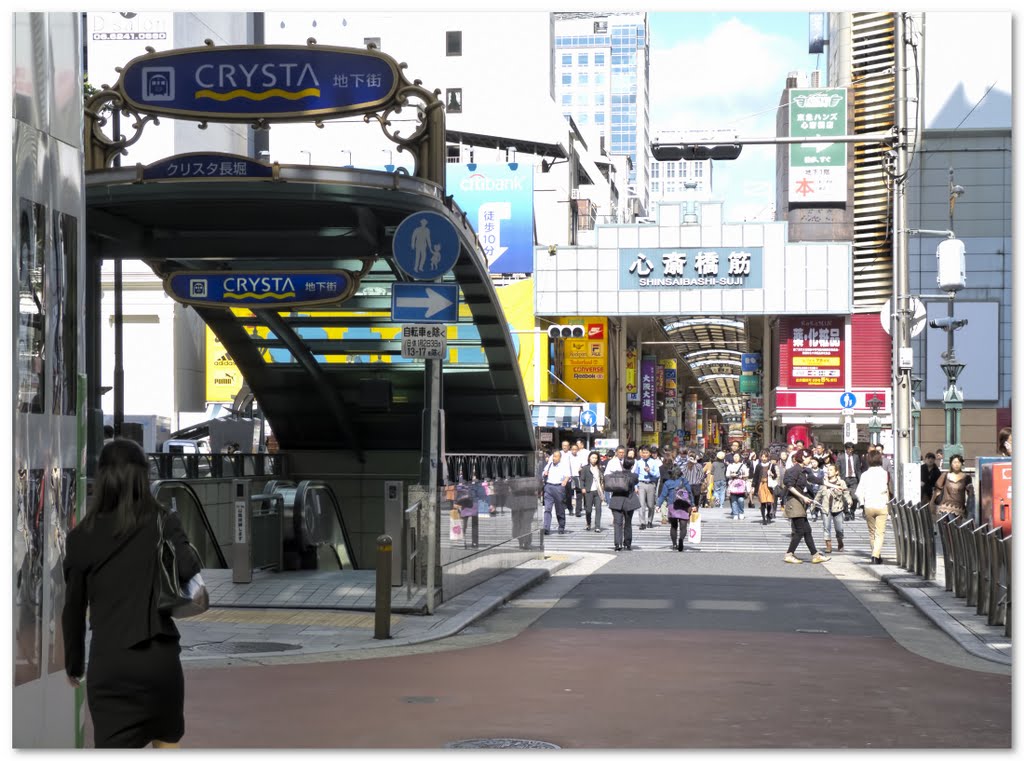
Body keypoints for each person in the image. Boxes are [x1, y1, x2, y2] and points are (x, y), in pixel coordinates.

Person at [62, 439, 202, 748]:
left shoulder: (80, 537)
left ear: (102, 480)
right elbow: (189, 567)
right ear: (143, 478)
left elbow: (73, 609)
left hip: (111, 664)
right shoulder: (162, 520)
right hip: (159, 662)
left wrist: (74, 664)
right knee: (166, 744)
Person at [781, 449, 829, 564]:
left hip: (800, 502)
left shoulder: (804, 471)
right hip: (794, 502)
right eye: (809, 458)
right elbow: (789, 486)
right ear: (803, 457)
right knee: (800, 530)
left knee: (807, 530)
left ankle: (815, 555)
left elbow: (818, 480)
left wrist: (835, 486)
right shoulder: (793, 470)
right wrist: (803, 497)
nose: (810, 460)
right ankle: (789, 554)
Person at [856, 450, 893, 564]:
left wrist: (862, 503)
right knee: (880, 532)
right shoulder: (885, 474)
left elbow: (858, 492)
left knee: (872, 532)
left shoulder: (865, 475)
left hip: (869, 506)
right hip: (882, 505)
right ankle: (875, 555)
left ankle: (875, 554)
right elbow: (890, 489)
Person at [815, 463, 852, 553]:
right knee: (826, 527)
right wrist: (814, 503)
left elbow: (846, 492)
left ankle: (840, 541)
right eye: (828, 470)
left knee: (839, 528)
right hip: (826, 508)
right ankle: (828, 545)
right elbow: (819, 494)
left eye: (831, 470)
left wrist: (849, 500)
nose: (829, 471)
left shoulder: (841, 482)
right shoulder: (824, 482)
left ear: (836, 472)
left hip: (838, 508)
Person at [930, 453, 975, 522]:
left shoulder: (967, 478)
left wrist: (971, 491)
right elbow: (937, 490)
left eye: (959, 462)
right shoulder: (945, 475)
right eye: (954, 462)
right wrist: (932, 503)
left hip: (959, 509)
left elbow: (970, 495)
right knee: (946, 529)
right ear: (951, 464)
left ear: (962, 464)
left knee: (955, 529)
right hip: (944, 507)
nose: (956, 464)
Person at [608, 457, 640, 551]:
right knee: (628, 523)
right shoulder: (634, 476)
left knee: (617, 523)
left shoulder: (616, 474)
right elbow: (635, 483)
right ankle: (627, 543)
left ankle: (618, 544)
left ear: (622, 464)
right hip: (629, 501)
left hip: (616, 500)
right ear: (632, 466)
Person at [540, 449, 573, 535]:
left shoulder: (564, 465)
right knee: (547, 508)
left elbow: (568, 475)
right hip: (548, 487)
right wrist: (545, 473)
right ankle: (546, 528)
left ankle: (561, 526)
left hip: (558, 488)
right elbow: (543, 473)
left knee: (559, 509)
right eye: (553, 456)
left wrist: (564, 482)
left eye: (556, 457)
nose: (554, 458)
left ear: (559, 458)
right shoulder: (549, 464)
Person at [632, 445, 660, 530]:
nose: (644, 454)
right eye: (643, 452)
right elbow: (635, 475)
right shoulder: (638, 462)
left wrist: (650, 471)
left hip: (651, 484)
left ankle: (650, 520)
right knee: (641, 504)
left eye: (646, 452)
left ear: (650, 453)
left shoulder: (654, 462)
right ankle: (642, 522)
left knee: (651, 505)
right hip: (641, 484)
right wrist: (635, 486)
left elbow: (657, 475)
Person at [579, 450, 605, 532]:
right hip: (588, 491)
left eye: (596, 458)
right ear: (589, 458)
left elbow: (602, 480)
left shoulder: (600, 468)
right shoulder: (585, 468)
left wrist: (603, 488)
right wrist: (582, 488)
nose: (594, 459)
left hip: (598, 491)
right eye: (592, 457)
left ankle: (597, 526)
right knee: (588, 509)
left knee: (598, 509)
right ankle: (588, 523)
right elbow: (582, 479)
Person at [656, 465, 687, 530]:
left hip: (673, 505)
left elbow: (663, 495)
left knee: (674, 526)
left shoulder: (668, 483)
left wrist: (658, 505)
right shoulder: (683, 481)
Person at [749, 450, 775, 525]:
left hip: (769, 485)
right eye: (762, 457)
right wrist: (753, 486)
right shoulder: (758, 466)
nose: (764, 458)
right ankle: (764, 518)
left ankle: (768, 515)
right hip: (761, 484)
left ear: (768, 457)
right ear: (760, 457)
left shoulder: (771, 465)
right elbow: (755, 477)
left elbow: (775, 475)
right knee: (763, 502)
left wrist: (772, 474)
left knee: (769, 502)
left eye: (765, 457)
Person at [837, 442, 861, 519]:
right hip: (844, 479)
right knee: (844, 497)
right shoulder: (841, 457)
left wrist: (860, 479)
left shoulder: (856, 457)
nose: (850, 451)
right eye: (848, 449)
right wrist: (839, 479)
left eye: (851, 449)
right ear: (846, 449)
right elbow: (838, 468)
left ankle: (852, 511)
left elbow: (858, 469)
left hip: (854, 479)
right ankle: (846, 512)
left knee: (854, 496)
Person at [725, 452, 750, 520]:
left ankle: (741, 512)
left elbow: (747, 475)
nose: (736, 457)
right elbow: (727, 475)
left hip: (741, 485)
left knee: (741, 500)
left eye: (737, 456)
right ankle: (735, 514)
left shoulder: (743, 465)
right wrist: (732, 475)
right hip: (733, 484)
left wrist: (741, 476)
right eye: (735, 456)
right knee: (733, 500)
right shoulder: (730, 465)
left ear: (739, 458)